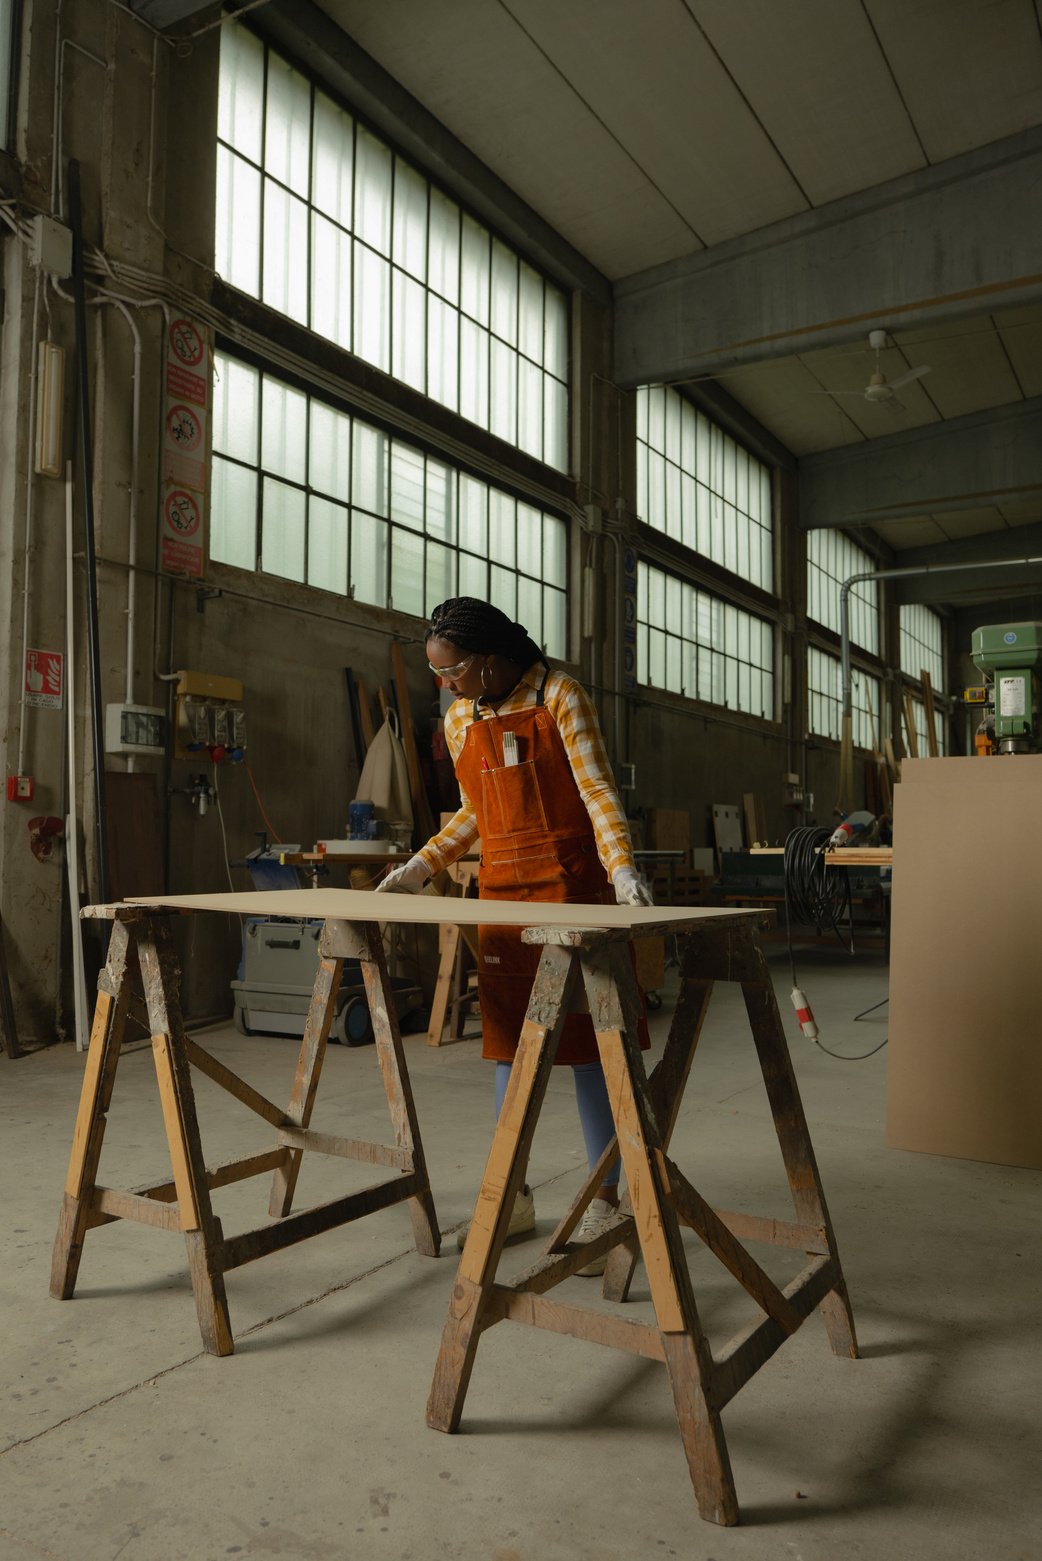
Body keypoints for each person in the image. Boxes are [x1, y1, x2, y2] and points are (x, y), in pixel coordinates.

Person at [376, 597, 652, 1273]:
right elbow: (475, 812)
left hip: (572, 887)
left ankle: (604, 1197)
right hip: (502, 895)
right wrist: (421, 865)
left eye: (453, 672)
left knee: (590, 1047)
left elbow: (596, 789)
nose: (444, 685)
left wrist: (622, 870)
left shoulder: (561, 694)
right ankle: (515, 1192)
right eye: (439, 674)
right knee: (509, 1045)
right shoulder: (459, 716)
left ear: (490, 660)